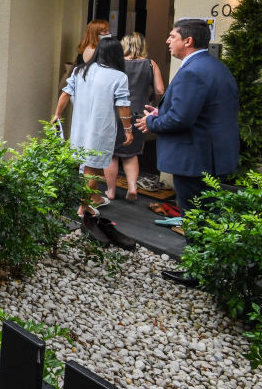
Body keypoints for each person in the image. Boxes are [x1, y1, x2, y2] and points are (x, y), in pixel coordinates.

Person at [136, 19, 239, 286]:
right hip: (211, 155)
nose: (168, 41)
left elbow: (181, 120)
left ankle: (200, 273)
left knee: (195, 215)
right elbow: (200, 111)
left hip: (194, 157)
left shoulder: (193, 71)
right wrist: (164, 112)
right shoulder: (215, 66)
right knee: (207, 213)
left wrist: (151, 122)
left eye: (172, 36)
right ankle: (211, 267)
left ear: (188, 41)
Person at [52, 37, 133, 216]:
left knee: (86, 166)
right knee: (91, 169)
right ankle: (83, 207)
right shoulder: (119, 76)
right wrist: (128, 130)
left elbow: (65, 94)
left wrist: (57, 114)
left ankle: (91, 199)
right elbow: (123, 106)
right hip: (100, 130)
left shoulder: (81, 70)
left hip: (79, 128)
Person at [102, 32, 166, 203]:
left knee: (112, 154)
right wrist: (152, 102)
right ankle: (132, 188)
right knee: (131, 153)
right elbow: (160, 90)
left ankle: (111, 191)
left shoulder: (115, 64)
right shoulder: (151, 64)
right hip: (138, 113)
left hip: (114, 113)